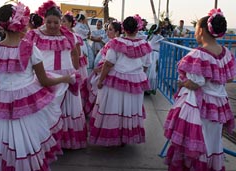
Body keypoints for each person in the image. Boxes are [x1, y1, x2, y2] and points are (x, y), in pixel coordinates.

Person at [0, 3, 73, 170]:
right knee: (25, 144)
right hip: (26, 102)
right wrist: (64, 78)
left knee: (0, 142)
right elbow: (44, 81)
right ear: (22, 23)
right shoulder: (30, 49)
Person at [163, 8, 235, 171]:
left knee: (195, 138)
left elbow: (196, 83)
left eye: (195, 30)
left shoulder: (198, 55)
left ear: (201, 31)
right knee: (212, 139)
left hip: (199, 104)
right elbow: (229, 77)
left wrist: (182, 83)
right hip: (218, 104)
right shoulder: (226, 54)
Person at [25, 0, 87, 149]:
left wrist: (75, 70)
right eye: (49, 22)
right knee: (45, 111)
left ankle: (63, 143)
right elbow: (27, 56)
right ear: (44, 20)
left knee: (66, 110)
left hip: (66, 77)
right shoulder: (34, 35)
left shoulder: (70, 36)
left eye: (56, 22)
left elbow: (74, 54)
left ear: (61, 22)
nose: (52, 25)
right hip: (42, 78)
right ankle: (45, 143)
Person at [89, 15, 151, 146]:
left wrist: (101, 80)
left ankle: (114, 136)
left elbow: (108, 64)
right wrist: (139, 79)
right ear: (137, 28)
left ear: (123, 29)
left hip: (116, 80)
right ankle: (125, 137)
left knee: (114, 109)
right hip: (136, 80)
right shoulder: (144, 44)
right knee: (129, 109)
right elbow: (146, 65)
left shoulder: (116, 43)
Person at [82, 21, 122, 116]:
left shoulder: (115, 43)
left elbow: (110, 62)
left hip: (106, 73)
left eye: (110, 30)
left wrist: (99, 70)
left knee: (97, 92)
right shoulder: (112, 42)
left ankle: (96, 114)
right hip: (102, 70)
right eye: (107, 30)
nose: (107, 32)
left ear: (117, 32)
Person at [62, 11, 88, 81]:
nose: (61, 23)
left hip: (74, 64)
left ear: (70, 23)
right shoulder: (61, 35)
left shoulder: (74, 36)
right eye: (61, 21)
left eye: (64, 21)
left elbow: (78, 53)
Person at [146, 24, 164, 95]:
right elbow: (165, 39)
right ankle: (150, 88)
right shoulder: (158, 37)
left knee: (149, 71)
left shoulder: (150, 36)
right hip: (155, 55)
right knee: (153, 72)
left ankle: (146, 87)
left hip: (149, 54)